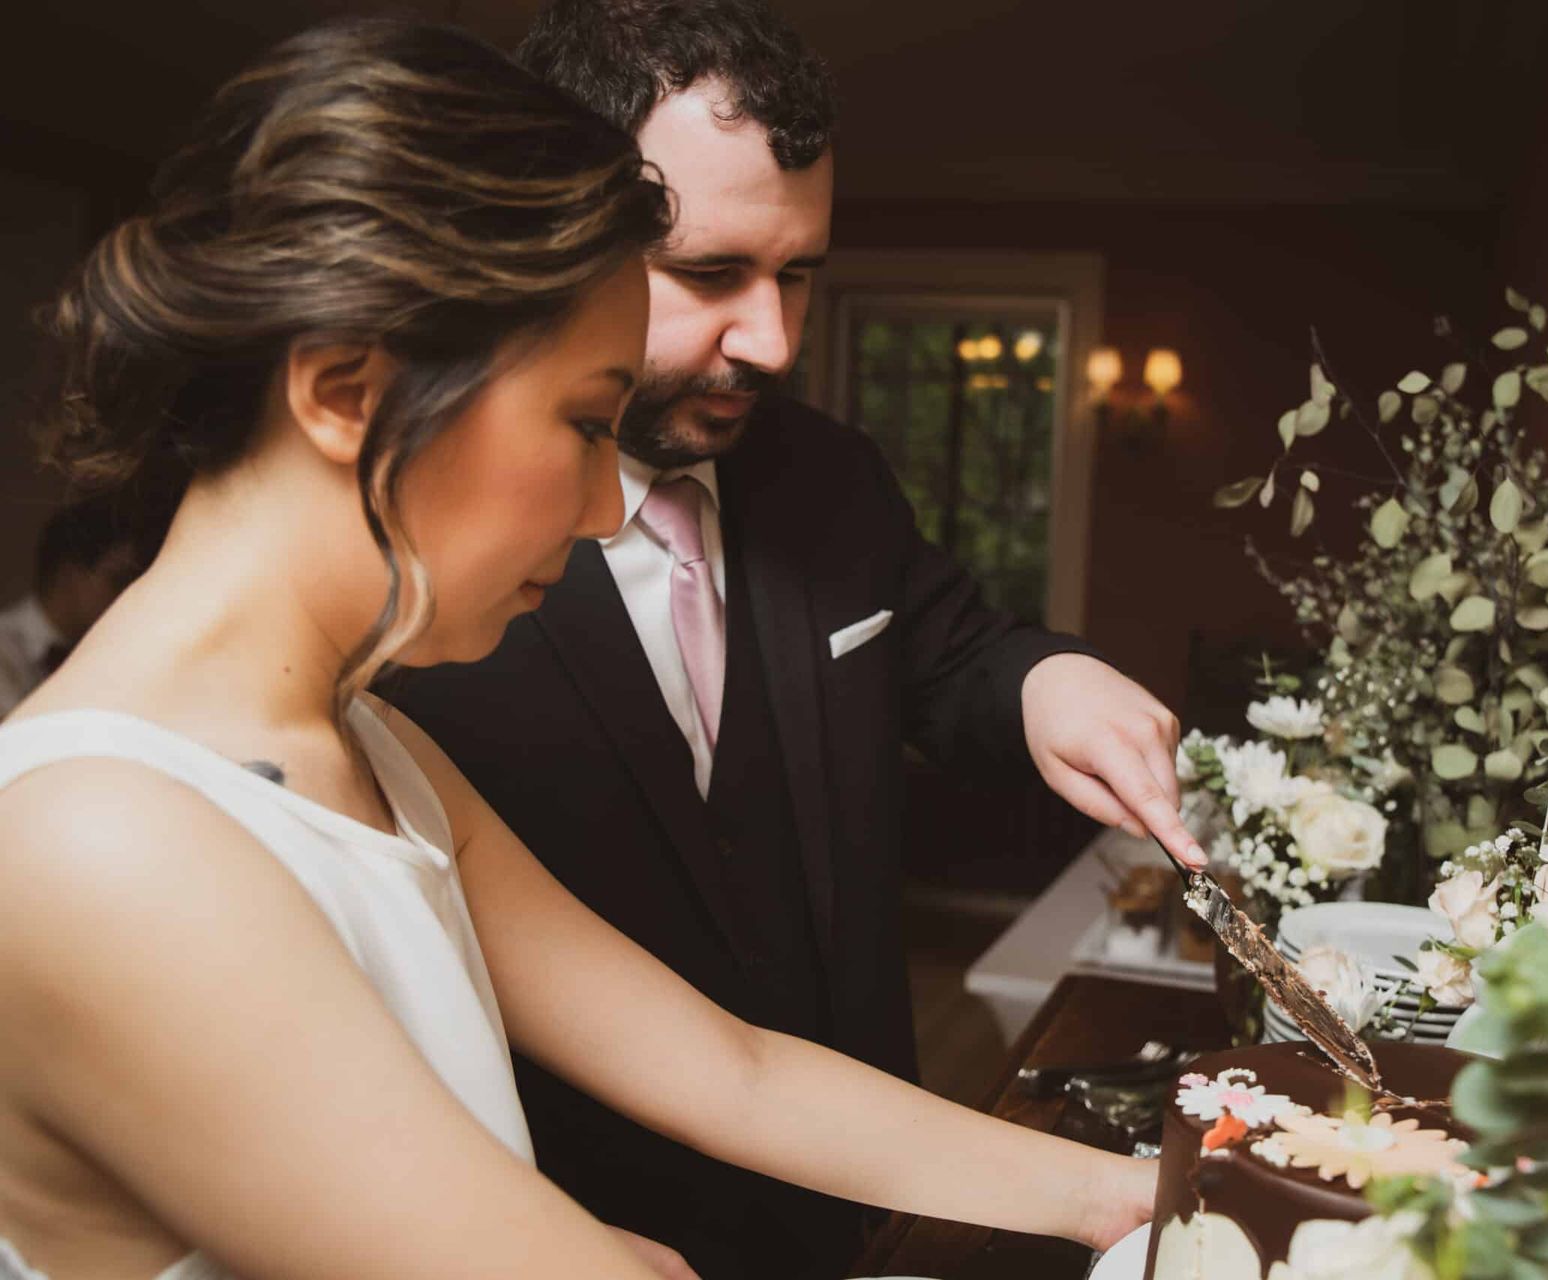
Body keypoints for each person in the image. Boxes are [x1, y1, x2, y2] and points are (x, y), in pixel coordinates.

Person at [0, 21, 1155, 1280]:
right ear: (346, 391)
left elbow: (737, 1069)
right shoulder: (103, 842)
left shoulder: (379, 745)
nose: (612, 508)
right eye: (581, 421)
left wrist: (1145, 1191)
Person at [387, 3, 1206, 1273]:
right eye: (711, 274)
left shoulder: (830, 477)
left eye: (801, 273)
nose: (771, 339)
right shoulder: (430, 551)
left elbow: (952, 655)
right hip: (561, 1195)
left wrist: (1050, 676)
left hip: (855, 1181)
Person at [0, 497, 138, 716]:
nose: (125, 596)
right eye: (117, 581)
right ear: (69, 573)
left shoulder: (105, 655)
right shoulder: (5, 649)